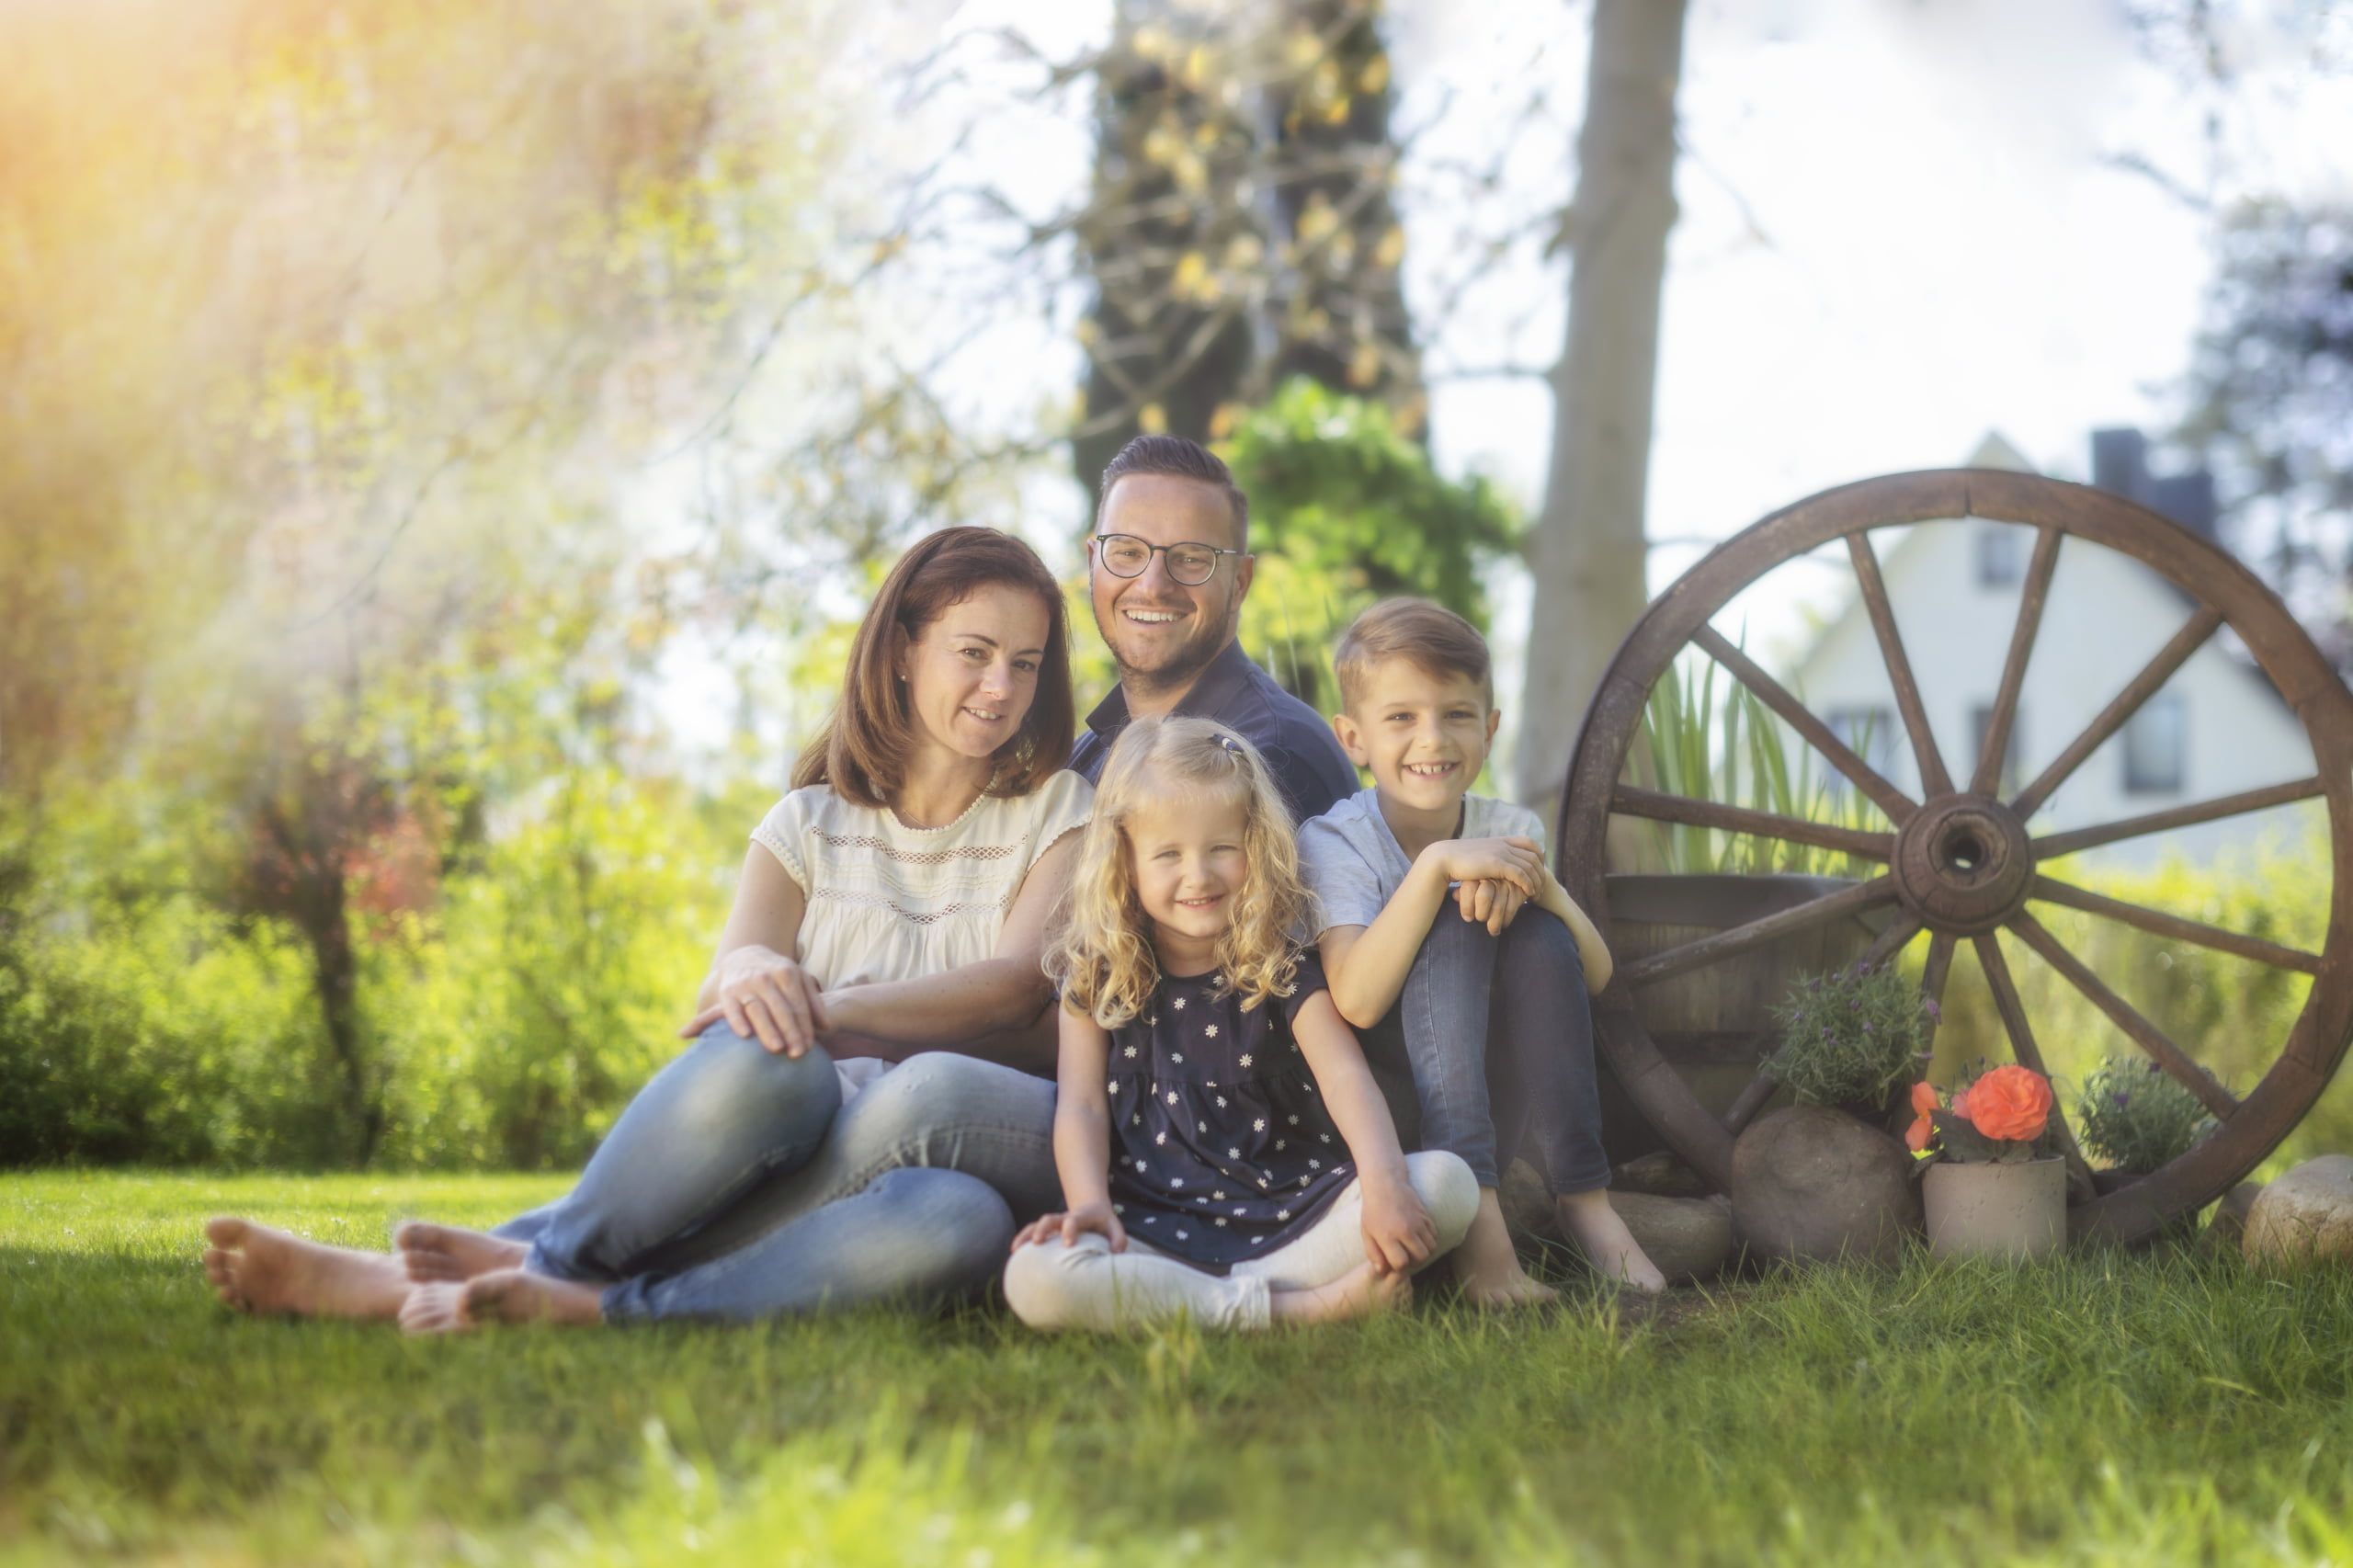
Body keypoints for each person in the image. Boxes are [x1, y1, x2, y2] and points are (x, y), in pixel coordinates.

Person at [202, 527, 1091, 1330]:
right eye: (973, 653)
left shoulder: (1061, 810)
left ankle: (548, 1275)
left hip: (937, 1146)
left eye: (1025, 662)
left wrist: (828, 1009)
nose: (1000, 687)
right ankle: (558, 1269)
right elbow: (725, 989)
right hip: (796, 1141)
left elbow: (1016, 990)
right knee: (763, 1058)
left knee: (954, 1215)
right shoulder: (807, 823)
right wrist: (751, 973)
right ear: (902, 650)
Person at [1002, 717, 1476, 1333]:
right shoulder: (1099, 981)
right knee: (1034, 1277)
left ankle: (1199, 1307)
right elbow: (1083, 1108)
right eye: (1168, 855)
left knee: (1446, 1183)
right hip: (1154, 1230)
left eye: (1221, 849)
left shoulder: (1279, 965)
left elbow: (1345, 1080)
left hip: (1296, 1218)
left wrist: (1384, 1185)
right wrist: (1090, 1206)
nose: (1198, 876)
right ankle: (1304, 1312)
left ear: (1255, 848)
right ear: (1125, 860)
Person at [1299, 598, 1665, 1303]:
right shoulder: (1334, 840)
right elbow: (1356, 999)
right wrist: (1437, 864)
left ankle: (1584, 1198)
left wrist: (1547, 891)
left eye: (1457, 714)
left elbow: (1592, 974)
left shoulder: (1509, 826)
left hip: (1496, 1086)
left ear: (1490, 729)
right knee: (1458, 912)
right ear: (1353, 737)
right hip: (1387, 1099)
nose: (1432, 739)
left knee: (1531, 927)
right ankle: (1483, 1224)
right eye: (1401, 717)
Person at [1068, 434, 1357, 825]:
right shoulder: (1081, 761)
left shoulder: (1275, 758)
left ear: (1239, 583)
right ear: (1093, 564)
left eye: (1190, 558)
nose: (1152, 586)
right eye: (1127, 553)